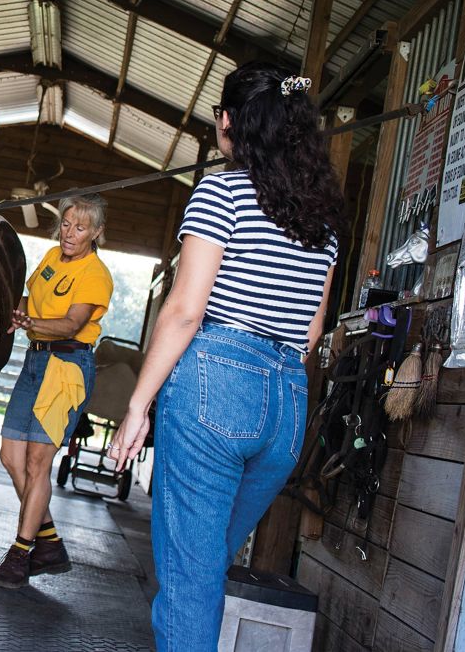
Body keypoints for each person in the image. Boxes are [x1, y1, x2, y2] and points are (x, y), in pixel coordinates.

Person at [108, 62, 343, 651]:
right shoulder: (323, 220)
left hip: (218, 384)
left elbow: (186, 310)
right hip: (286, 406)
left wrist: (139, 403)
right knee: (204, 564)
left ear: (230, 121)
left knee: (189, 580)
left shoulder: (223, 190)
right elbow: (312, 333)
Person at [0, 194, 114, 589]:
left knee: (38, 463)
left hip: (67, 366)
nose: (70, 234)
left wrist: (28, 321)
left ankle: (20, 555)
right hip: (36, 360)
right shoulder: (51, 260)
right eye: (66, 224)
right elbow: (28, 296)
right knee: (11, 455)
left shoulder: (95, 274)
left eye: (80, 227)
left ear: (96, 233)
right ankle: (49, 541)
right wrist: (18, 310)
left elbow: (72, 325)